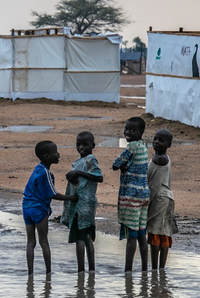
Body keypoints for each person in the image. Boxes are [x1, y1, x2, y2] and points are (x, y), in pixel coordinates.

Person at [22, 140, 77, 275]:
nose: (58, 155)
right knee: (44, 241)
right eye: (55, 152)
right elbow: (53, 194)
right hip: (39, 209)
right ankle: (48, 273)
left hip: (26, 208)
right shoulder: (45, 173)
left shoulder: (37, 169)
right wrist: (72, 198)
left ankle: (30, 274)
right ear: (47, 156)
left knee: (30, 242)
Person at [112, 117, 151, 273]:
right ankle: (144, 269)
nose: (128, 132)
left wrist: (124, 166)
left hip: (131, 196)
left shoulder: (132, 147)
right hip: (143, 194)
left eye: (132, 130)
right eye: (126, 129)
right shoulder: (144, 145)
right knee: (142, 233)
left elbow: (115, 165)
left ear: (141, 132)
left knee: (131, 235)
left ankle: (127, 271)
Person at [61, 131, 102, 274]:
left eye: (85, 144)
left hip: (83, 205)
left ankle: (81, 271)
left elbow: (99, 177)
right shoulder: (78, 162)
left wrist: (78, 173)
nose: (81, 147)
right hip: (84, 204)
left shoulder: (90, 159)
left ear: (93, 146)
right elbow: (80, 182)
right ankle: (91, 271)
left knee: (80, 238)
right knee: (88, 237)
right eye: (78, 144)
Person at [147, 129, 179, 269]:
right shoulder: (164, 157)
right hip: (167, 197)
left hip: (159, 198)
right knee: (164, 232)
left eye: (161, 140)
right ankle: (161, 270)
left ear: (169, 145)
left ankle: (155, 268)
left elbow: (153, 186)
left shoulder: (159, 159)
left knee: (155, 232)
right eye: (155, 139)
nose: (156, 142)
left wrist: (145, 203)